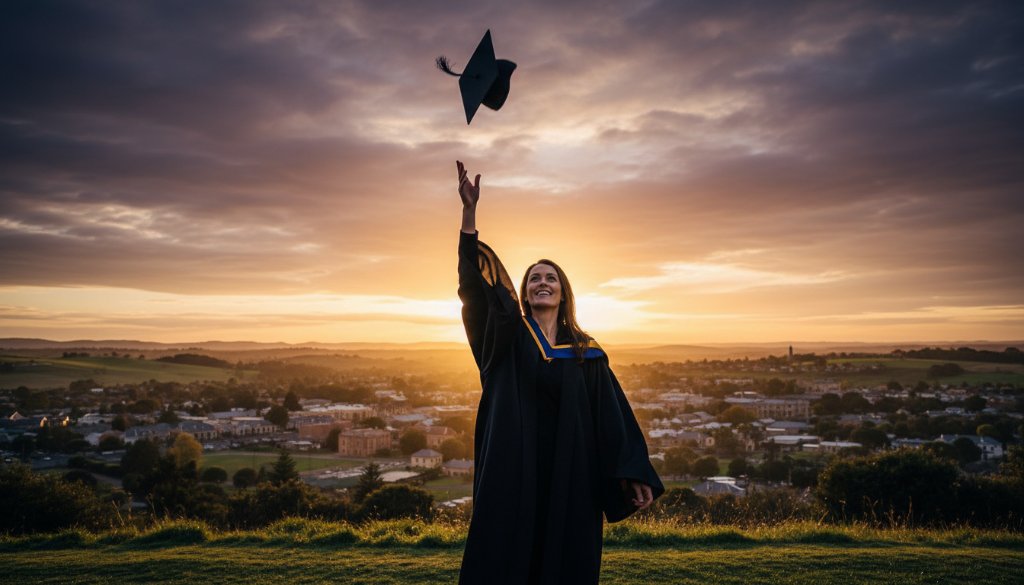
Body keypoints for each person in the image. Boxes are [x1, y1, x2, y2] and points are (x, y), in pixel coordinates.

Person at [455, 160, 664, 585]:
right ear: (526, 293)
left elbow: (612, 416)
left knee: (563, 560)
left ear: (563, 290)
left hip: (571, 474)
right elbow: (475, 294)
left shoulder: (586, 354)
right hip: (514, 473)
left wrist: (632, 473)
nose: (541, 282)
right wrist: (469, 216)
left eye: (550, 278)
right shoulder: (506, 340)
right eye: (534, 278)